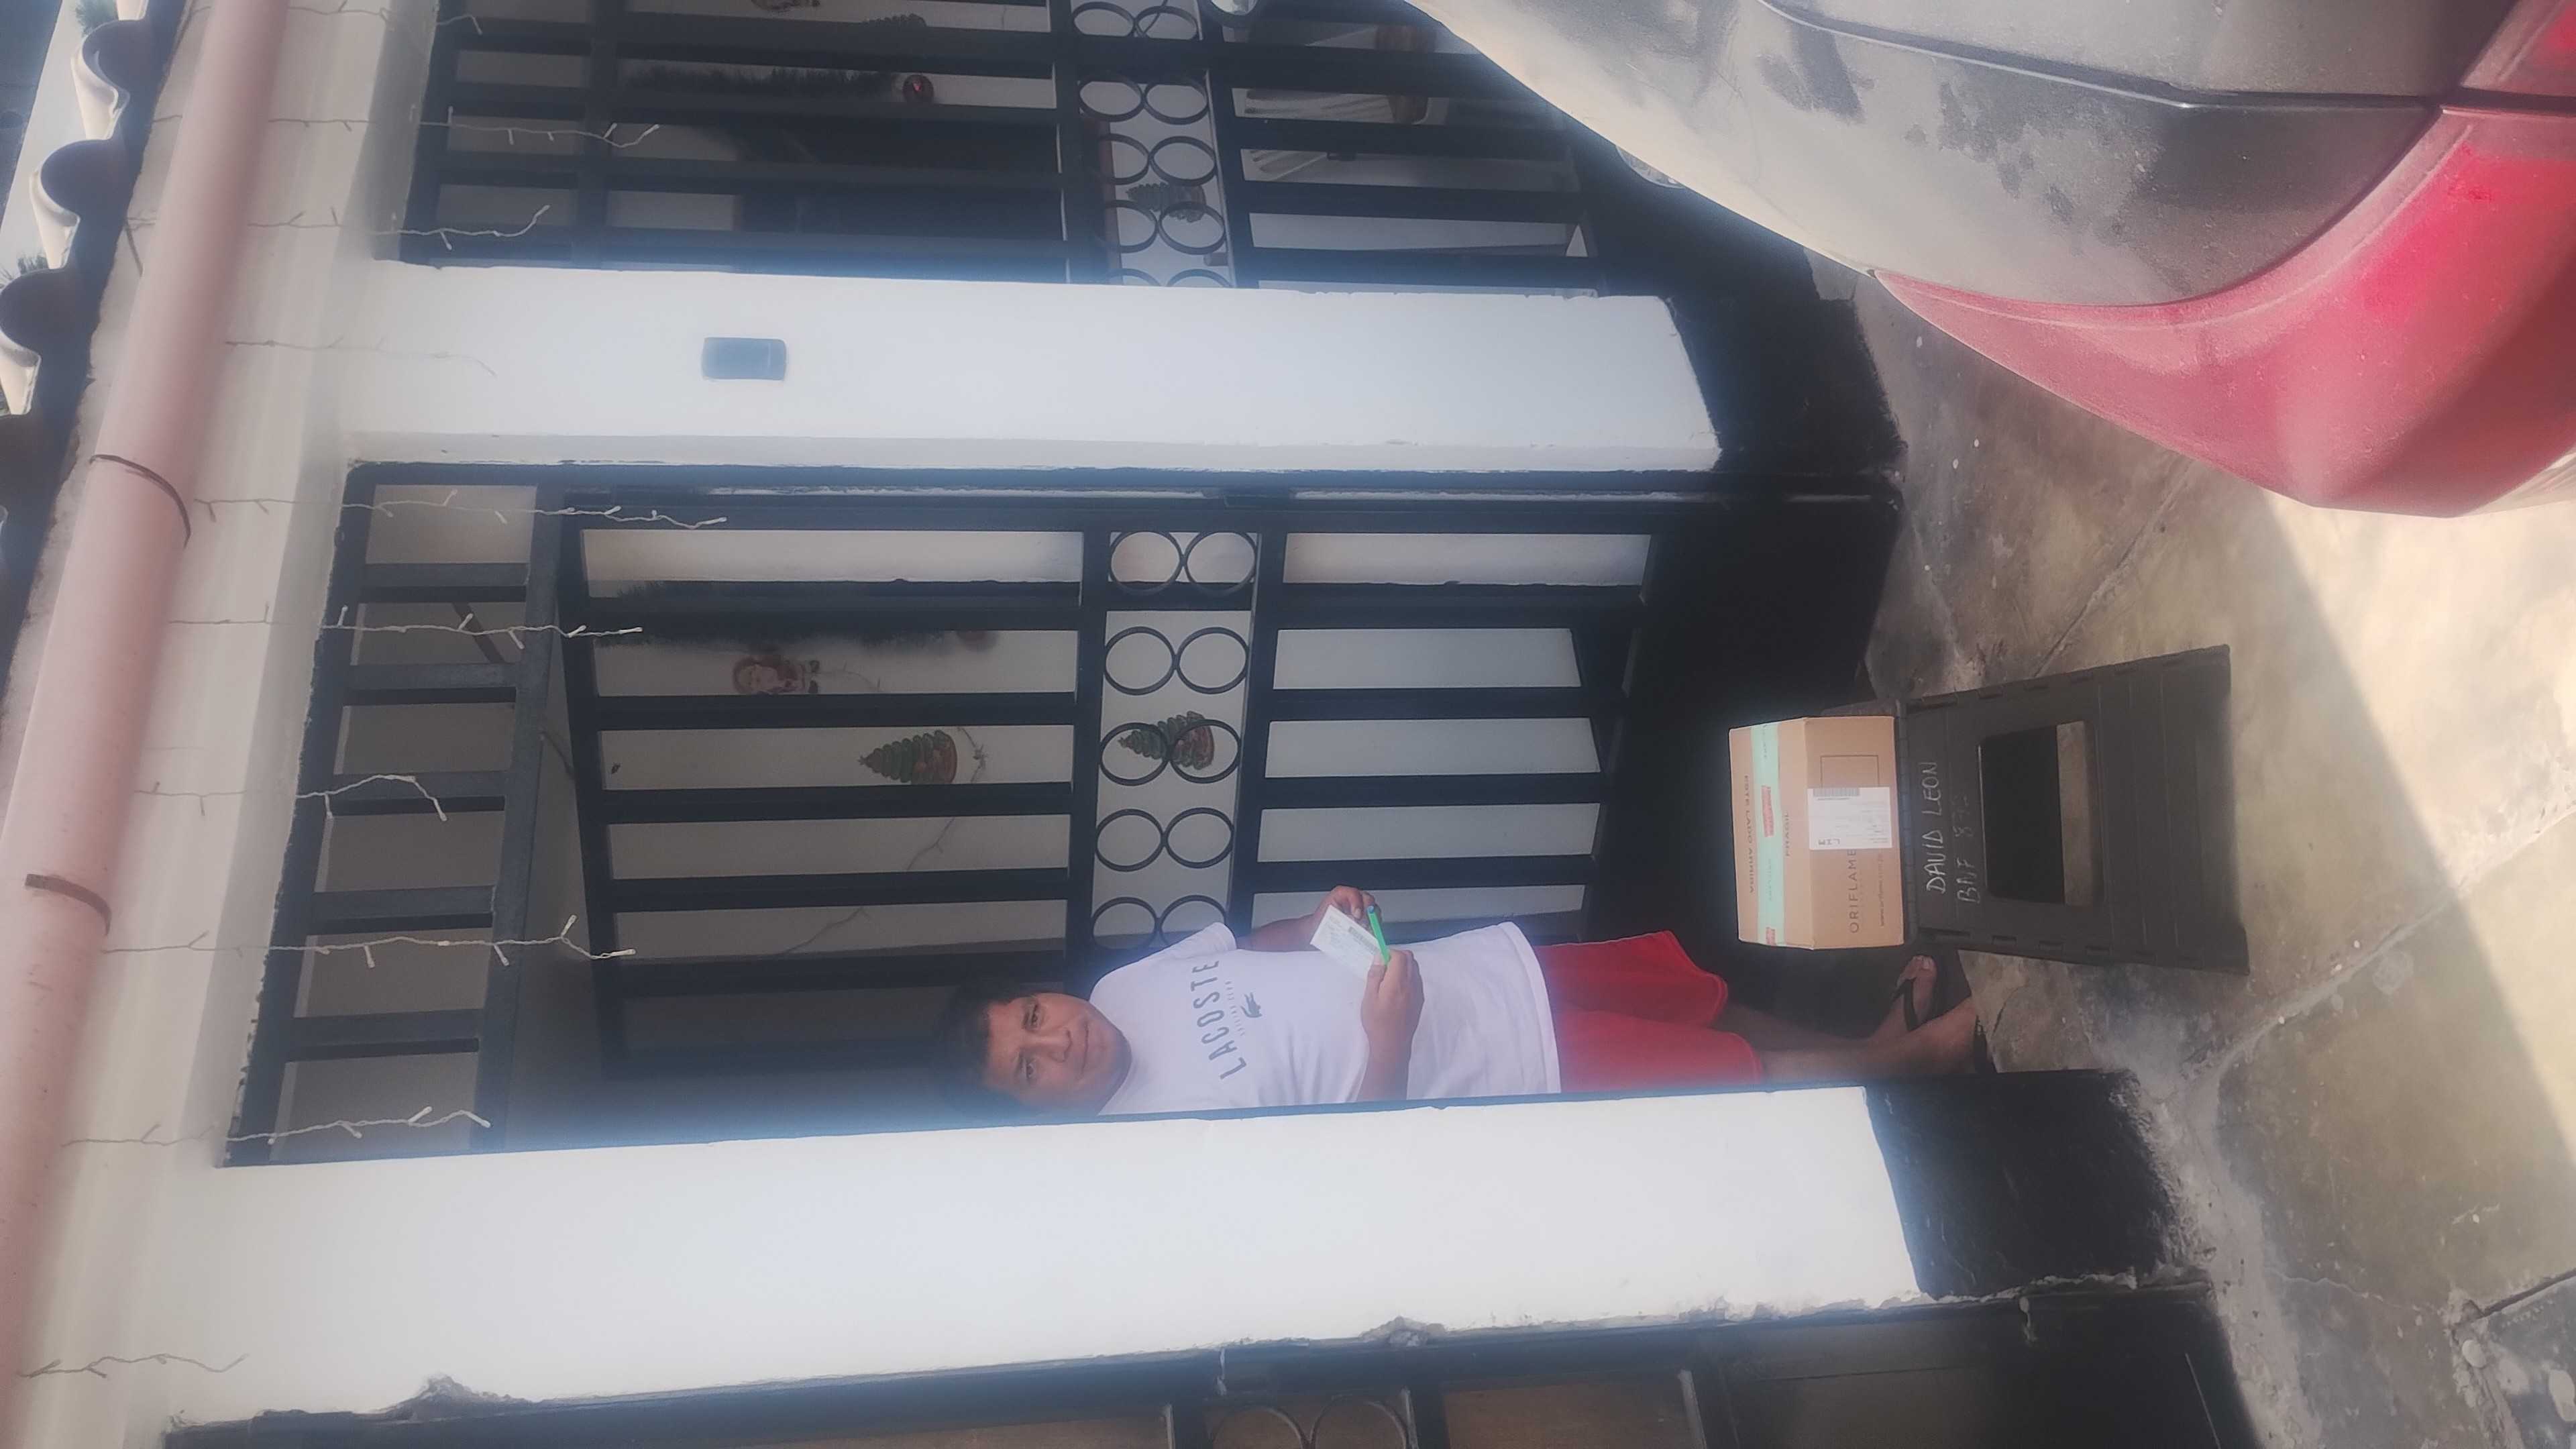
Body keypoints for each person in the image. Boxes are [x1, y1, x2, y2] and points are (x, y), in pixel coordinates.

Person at [935, 887, 1978, 1117]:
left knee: (1701, 1007)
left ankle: (1866, 1039)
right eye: (1029, 1064)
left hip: (1483, 975)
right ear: (1033, 1104)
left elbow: (1255, 948)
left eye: (1033, 1015)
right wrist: (1386, 1045)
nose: (1056, 1038)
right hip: (1503, 1074)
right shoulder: (1148, 1144)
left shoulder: (1122, 984)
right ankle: (1914, 1064)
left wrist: (1324, 917)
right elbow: (1345, 1174)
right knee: (1726, 1073)